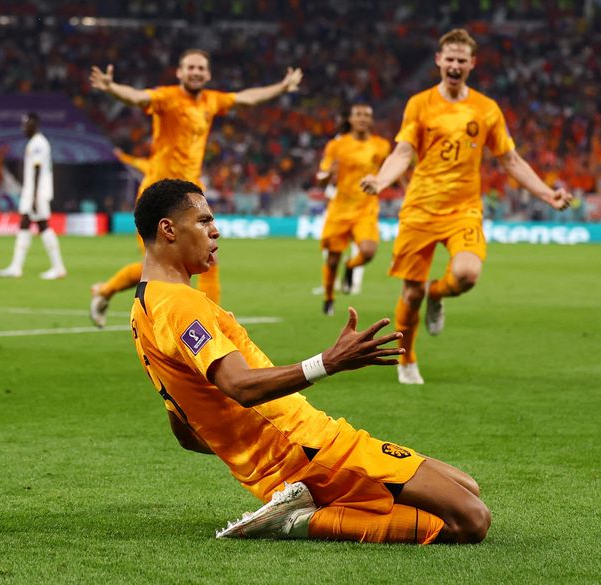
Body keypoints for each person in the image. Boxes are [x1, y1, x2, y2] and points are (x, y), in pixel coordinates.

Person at [131, 178, 491, 544]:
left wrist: (246, 449)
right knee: (470, 520)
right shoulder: (180, 304)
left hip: (294, 451)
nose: (215, 230)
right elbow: (238, 385)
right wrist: (328, 362)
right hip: (305, 447)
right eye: (204, 221)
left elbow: (184, 427)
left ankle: (302, 507)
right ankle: (299, 520)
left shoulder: (143, 310)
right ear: (168, 229)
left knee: (467, 487)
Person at [361, 28, 573, 385]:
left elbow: (511, 160)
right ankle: (407, 361)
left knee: (466, 275)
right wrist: (381, 182)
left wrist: (546, 193)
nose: (455, 65)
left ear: (472, 64)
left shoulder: (486, 109)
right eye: (450, 59)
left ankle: (438, 294)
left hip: (464, 210)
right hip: (420, 209)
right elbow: (403, 151)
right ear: (439, 61)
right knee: (410, 293)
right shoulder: (420, 103)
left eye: (462, 60)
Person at [88, 49, 302, 327]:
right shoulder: (166, 97)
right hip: (158, 195)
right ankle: (106, 291)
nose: (196, 72)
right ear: (180, 72)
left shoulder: (212, 100)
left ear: (208, 74)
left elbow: (247, 99)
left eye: (201, 68)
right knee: (159, 264)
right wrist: (111, 88)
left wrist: (283, 87)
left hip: (189, 198)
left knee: (208, 258)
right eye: (190, 67)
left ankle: (211, 323)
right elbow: (139, 97)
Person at [316, 103, 390, 316]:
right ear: (350, 118)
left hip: (366, 208)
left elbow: (391, 171)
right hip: (339, 208)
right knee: (332, 259)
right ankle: (329, 298)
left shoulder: (381, 146)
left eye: (367, 115)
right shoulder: (336, 146)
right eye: (358, 114)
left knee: (368, 252)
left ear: (372, 120)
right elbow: (321, 178)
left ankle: (351, 266)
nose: (362, 118)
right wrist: (328, 174)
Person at [0, 113, 66, 280]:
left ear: (34, 124)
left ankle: (58, 267)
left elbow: (37, 169)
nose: (23, 128)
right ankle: (16, 266)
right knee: (25, 224)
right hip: (33, 191)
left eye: (25, 124)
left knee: (42, 225)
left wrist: (34, 196)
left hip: (37, 192)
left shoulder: (38, 144)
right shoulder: (34, 142)